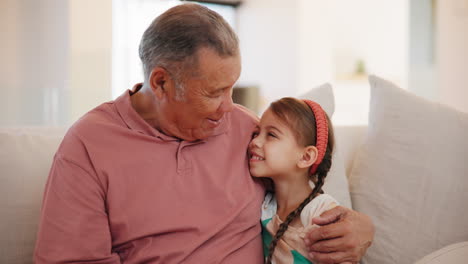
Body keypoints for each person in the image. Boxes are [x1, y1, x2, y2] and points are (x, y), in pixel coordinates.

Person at [34, 3, 374, 264]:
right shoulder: (88, 146)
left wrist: (361, 228)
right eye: (213, 93)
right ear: (161, 83)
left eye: (232, 88)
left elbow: (301, 194)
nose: (229, 108)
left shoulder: (247, 130)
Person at [249, 97, 338, 263]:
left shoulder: (322, 213)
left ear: (305, 157)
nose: (254, 142)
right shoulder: (265, 205)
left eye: (271, 135)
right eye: (256, 133)